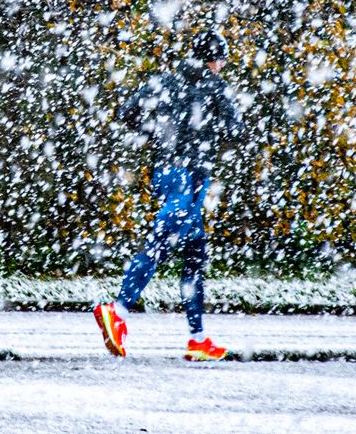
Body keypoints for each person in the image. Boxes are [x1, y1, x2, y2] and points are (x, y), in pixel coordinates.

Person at [93, 29, 244, 361]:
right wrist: (209, 132)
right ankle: (117, 310)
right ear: (213, 60)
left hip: (164, 171)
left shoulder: (164, 82)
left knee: (193, 252)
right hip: (191, 177)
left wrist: (160, 134)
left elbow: (126, 112)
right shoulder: (214, 86)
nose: (221, 67)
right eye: (220, 60)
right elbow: (237, 131)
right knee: (162, 244)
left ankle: (198, 338)